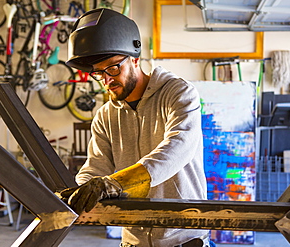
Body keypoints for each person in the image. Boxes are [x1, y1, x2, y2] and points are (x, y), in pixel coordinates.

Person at [60, 8, 210, 247]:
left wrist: (116, 183)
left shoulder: (178, 93)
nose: (106, 80)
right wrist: (80, 191)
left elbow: (178, 148)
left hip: (184, 238)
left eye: (112, 68)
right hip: (133, 241)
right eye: (99, 74)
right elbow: (96, 168)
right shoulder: (105, 116)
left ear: (135, 58)